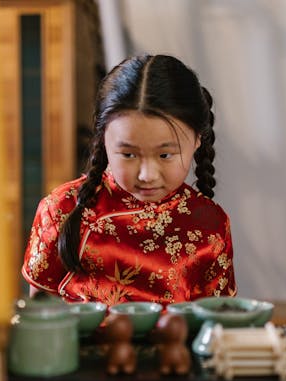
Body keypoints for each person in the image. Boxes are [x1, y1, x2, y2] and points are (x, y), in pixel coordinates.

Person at [22, 54, 236, 305]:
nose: (147, 175)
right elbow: (39, 316)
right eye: (129, 154)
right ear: (103, 139)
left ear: (197, 140)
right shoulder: (62, 208)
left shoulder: (211, 224)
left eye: (165, 154)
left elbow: (217, 320)